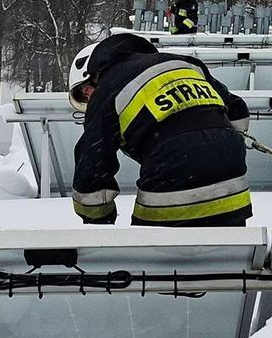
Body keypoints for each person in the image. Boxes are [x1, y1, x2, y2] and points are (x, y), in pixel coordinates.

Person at [67, 32, 251, 227]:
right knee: (227, 242)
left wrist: (99, 220)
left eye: (85, 91)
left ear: (95, 73)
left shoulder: (107, 89)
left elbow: (91, 165)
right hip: (232, 183)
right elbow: (238, 111)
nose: (88, 97)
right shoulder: (184, 63)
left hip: (170, 173)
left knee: (154, 244)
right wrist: (218, 146)